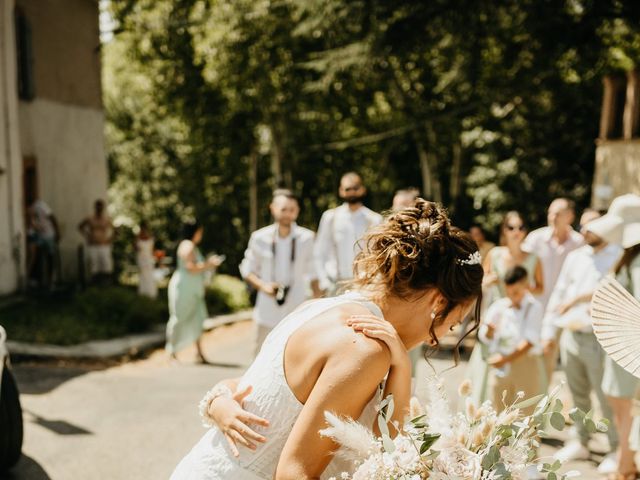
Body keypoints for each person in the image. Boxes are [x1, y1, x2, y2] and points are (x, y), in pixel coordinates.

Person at [170, 200, 484, 479]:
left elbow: (388, 453)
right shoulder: (364, 349)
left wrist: (401, 365)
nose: (436, 341)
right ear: (438, 303)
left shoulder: (319, 308)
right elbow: (294, 474)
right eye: (453, 324)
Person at [542, 210, 621, 472]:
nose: (584, 231)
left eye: (591, 227)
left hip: (602, 338)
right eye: (583, 226)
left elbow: (613, 292)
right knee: (577, 395)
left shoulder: (618, 256)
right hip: (571, 335)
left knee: (606, 396)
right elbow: (559, 294)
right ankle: (581, 440)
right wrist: (549, 331)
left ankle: (615, 448)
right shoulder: (576, 257)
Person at [466, 211, 544, 404]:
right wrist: (490, 280)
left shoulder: (534, 258)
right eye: (511, 227)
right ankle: (484, 409)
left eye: (521, 227)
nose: (516, 231)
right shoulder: (495, 254)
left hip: (523, 313)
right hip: (497, 312)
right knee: (490, 361)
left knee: (522, 360)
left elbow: (541, 288)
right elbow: (481, 279)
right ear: (504, 230)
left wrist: (522, 289)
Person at [588, 194, 640, 480]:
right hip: (624, 344)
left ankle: (626, 465)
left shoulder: (637, 259)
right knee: (624, 410)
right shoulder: (630, 257)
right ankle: (626, 463)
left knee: (629, 412)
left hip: (633, 344)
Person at [240, 190, 322, 355]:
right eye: (283, 209)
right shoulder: (259, 238)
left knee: (295, 359)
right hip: (266, 312)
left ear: (297, 211)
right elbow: (247, 270)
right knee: (259, 358)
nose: (287, 214)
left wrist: (319, 308)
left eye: (292, 210)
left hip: (296, 311)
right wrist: (263, 286)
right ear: (273, 208)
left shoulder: (307, 238)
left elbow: (314, 275)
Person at [523, 198, 584, 379]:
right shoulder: (535, 239)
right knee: (528, 356)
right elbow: (521, 269)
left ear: (570, 216)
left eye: (557, 213)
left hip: (563, 311)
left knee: (551, 360)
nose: (552, 217)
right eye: (550, 212)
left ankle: (543, 400)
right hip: (534, 307)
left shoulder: (579, 243)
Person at [479, 266, 543, 415]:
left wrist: (505, 359)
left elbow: (530, 341)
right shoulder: (499, 306)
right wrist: (489, 331)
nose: (512, 296)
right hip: (499, 362)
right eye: (509, 292)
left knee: (525, 411)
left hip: (524, 363)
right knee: (497, 408)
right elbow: (485, 337)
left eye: (516, 292)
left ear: (526, 285)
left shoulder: (534, 307)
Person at [314, 172, 382, 295]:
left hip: (364, 284)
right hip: (335, 284)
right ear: (341, 191)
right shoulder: (330, 217)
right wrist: (324, 282)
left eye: (355, 188)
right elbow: (319, 252)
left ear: (362, 190)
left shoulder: (374, 219)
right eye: (347, 189)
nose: (351, 192)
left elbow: (377, 254)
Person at [166, 221, 223, 363]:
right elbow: (190, 267)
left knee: (196, 318)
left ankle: (199, 353)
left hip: (192, 289)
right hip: (184, 288)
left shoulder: (190, 246)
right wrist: (209, 264)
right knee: (179, 318)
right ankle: (172, 352)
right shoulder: (188, 245)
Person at [78, 199, 115, 283]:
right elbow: (80, 227)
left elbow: (115, 231)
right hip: (93, 245)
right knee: (94, 265)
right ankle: (95, 284)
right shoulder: (90, 218)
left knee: (106, 265)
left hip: (104, 245)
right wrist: (87, 236)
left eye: (101, 206)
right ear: (95, 207)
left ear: (103, 208)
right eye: (98, 206)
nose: (99, 208)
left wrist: (109, 240)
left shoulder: (107, 219)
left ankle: (106, 284)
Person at [27, 198, 60, 289]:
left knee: (50, 257)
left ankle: (51, 281)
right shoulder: (30, 208)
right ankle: (38, 280)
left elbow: (52, 217)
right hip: (39, 235)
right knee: (37, 256)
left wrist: (57, 232)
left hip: (48, 234)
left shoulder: (41, 205)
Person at [136, 221, 158, 299]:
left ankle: (150, 293)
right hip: (142, 259)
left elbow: (152, 250)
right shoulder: (138, 237)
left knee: (149, 275)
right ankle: (144, 292)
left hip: (148, 258)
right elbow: (136, 248)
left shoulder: (147, 237)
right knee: (143, 275)